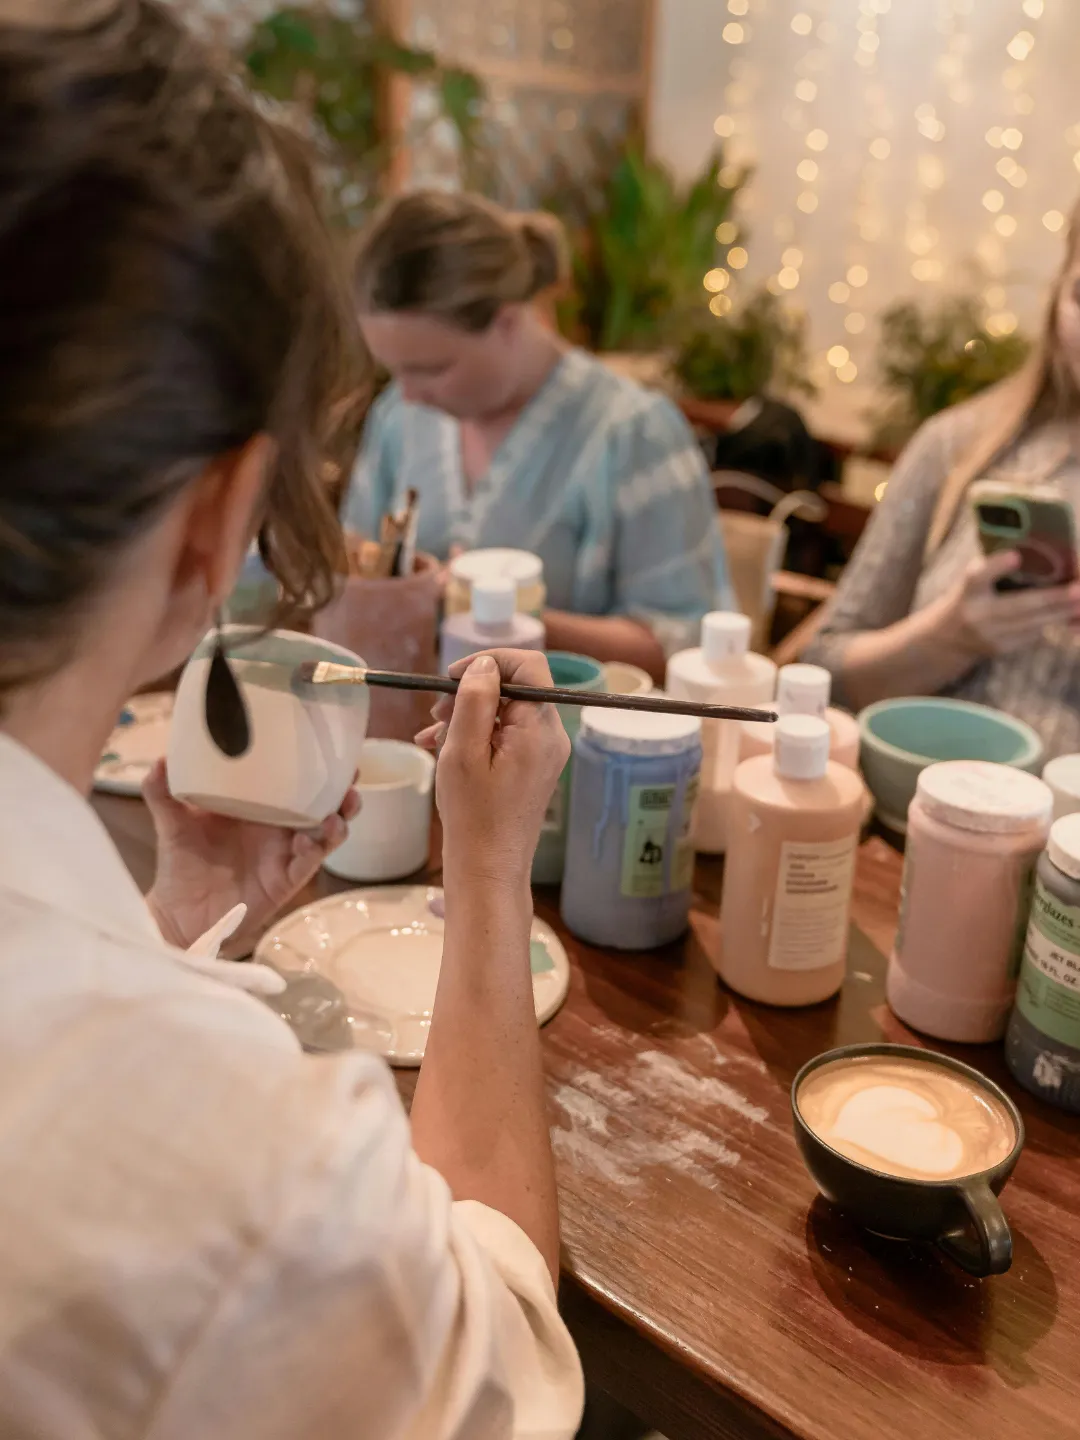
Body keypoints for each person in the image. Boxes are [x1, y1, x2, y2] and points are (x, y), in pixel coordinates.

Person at [0, 5, 584, 1438]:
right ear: (220, 513)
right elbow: (503, 1343)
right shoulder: (237, 1170)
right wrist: (486, 865)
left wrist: (183, 924)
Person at [346, 190, 731, 682]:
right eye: (394, 369)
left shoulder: (632, 435)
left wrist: (503, 617)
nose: (409, 393)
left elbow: (685, 647)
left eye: (432, 369)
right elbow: (353, 560)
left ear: (508, 320)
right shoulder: (399, 417)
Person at [806, 204, 1080, 759]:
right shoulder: (958, 445)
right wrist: (948, 636)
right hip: (902, 800)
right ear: (1058, 295)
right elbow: (824, 676)